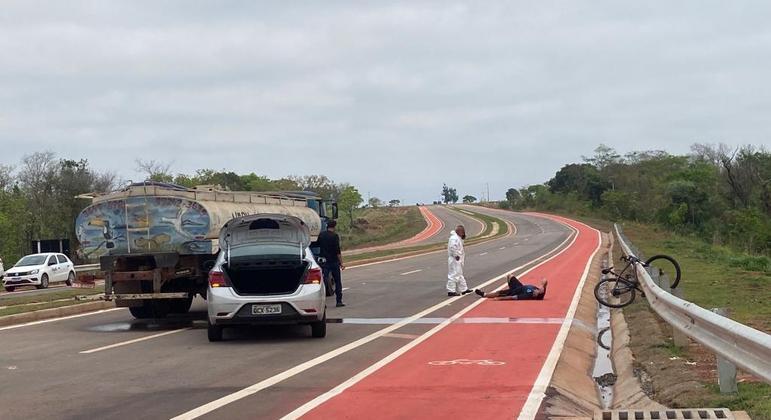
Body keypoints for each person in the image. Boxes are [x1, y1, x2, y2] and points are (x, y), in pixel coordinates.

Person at [318, 219, 346, 307]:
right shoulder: (335, 236)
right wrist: (341, 263)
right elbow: (338, 250)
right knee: (337, 281)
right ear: (334, 226)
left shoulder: (321, 235)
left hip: (324, 262)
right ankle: (339, 301)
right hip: (334, 261)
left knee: (324, 281)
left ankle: (323, 303)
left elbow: (318, 245)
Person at [475, 274, 547, 300]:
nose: (536, 290)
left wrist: (500, 299)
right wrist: (542, 286)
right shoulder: (541, 291)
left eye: (536, 292)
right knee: (510, 276)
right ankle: (510, 287)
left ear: (535, 295)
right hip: (519, 286)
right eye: (538, 290)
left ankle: (484, 294)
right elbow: (544, 280)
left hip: (514, 291)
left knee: (499, 293)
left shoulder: (527, 295)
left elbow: (513, 297)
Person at [447, 225, 472, 296]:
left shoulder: (458, 238)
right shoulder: (454, 238)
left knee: (459, 274)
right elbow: (452, 247)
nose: (463, 233)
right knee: (453, 274)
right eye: (462, 232)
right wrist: (456, 255)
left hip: (458, 259)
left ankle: (464, 289)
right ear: (459, 231)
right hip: (455, 259)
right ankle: (451, 291)